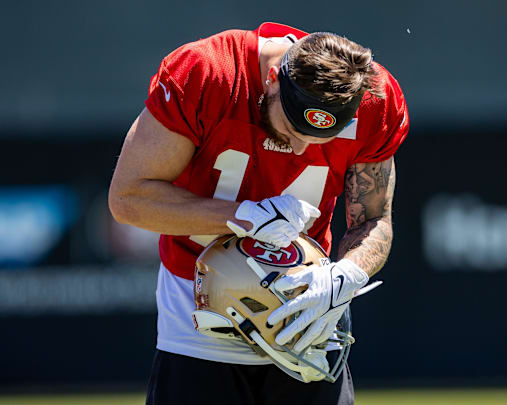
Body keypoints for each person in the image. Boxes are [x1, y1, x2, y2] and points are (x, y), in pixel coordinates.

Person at [108, 22, 408, 405]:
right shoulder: (209, 72)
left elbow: (374, 219)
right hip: (199, 314)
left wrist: (347, 274)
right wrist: (243, 217)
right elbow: (129, 198)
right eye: (290, 130)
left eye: (318, 140)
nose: (300, 150)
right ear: (271, 80)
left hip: (307, 319)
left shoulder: (375, 103)